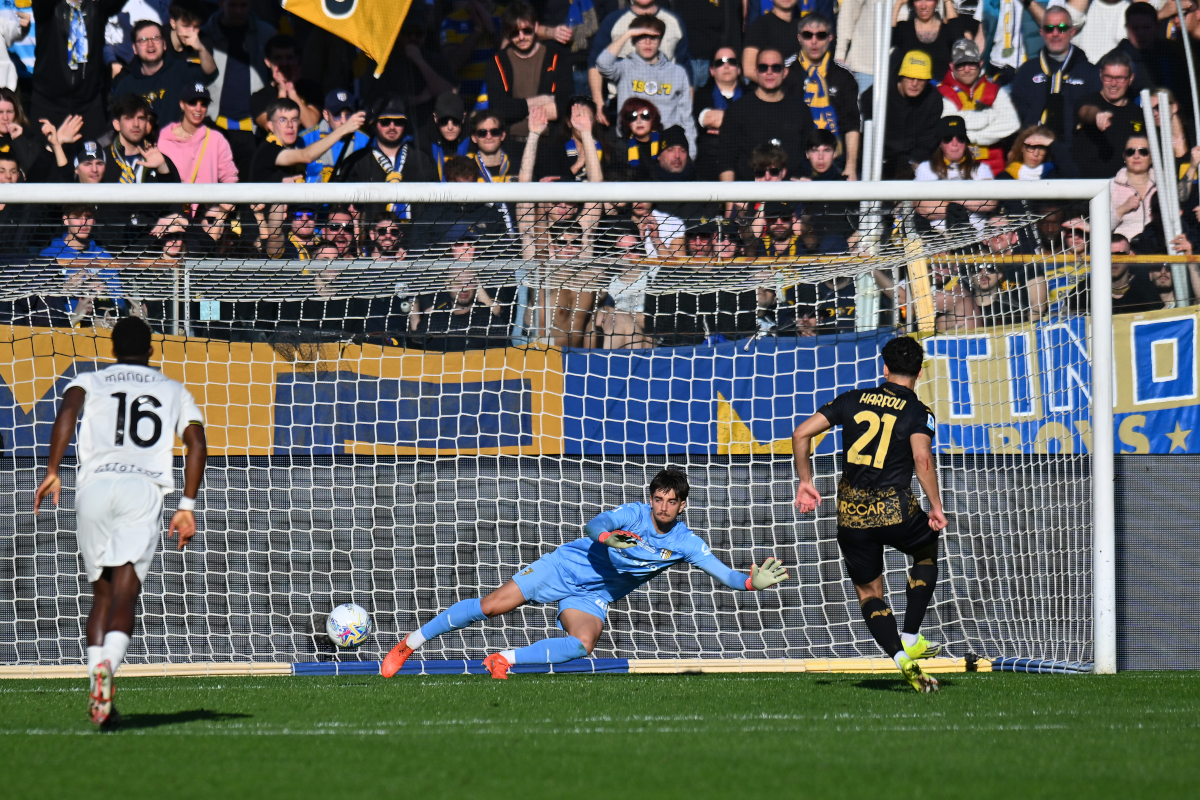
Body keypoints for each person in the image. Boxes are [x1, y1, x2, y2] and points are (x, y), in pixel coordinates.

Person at [378, 468, 789, 679]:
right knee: (492, 606)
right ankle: (409, 644)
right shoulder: (633, 514)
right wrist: (609, 538)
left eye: (671, 501)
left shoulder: (686, 543)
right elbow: (593, 526)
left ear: (682, 506)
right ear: (651, 499)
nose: (662, 506)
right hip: (564, 567)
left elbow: (727, 576)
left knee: (583, 643)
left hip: (593, 595)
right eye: (658, 498)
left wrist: (753, 581)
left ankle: (503, 659)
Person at [33, 316, 207, 726]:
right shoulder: (173, 390)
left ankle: (98, 681)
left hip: (92, 489)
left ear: (112, 348)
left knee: (102, 596)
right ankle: (107, 670)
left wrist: (53, 469)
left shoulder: (88, 381)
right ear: (151, 350)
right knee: (126, 595)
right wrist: (187, 504)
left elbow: (67, 414)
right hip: (141, 491)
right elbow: (197, 443)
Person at [791, 336, 946, 693]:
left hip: (852, 515)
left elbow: (801, 433)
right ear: (919, 373)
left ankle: (899, 658)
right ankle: (910, 635)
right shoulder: (919, 412)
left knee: (869, 594)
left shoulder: (852, 398)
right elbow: (922, 460)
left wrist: (805, 481)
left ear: (885, 368)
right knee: (925, 548)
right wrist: (935, 507)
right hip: (895, 509)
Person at [1010, 6, 1098, 171]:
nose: (1055, 34)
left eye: (1062, 28)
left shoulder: (1090, 73)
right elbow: (1019, 116)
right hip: (1033, 157)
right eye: (1049, 29)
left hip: (1074, 159)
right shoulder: (1026, 72)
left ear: (1072, 32)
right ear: (1042, 33)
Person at [596, 13, 697, 156]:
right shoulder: (625, 67)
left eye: (653, 37)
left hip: (665, 146)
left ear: (660, 40)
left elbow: (686, 117)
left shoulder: (677, 72)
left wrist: (690, 153)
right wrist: (628, 34)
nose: (648, 42)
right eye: (642, 37)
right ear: (634, 40)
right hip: (630, 144)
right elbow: (602, 64)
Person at [29, 0, 125, 142]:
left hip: (89, 103)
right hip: (48, 103)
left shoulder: (96, 6)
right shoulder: (48, 7)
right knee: (43, 159)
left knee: (94, 160)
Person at [202, 0, 276, 180]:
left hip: (253, 127)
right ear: (221, 4)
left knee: (250, 194)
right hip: (214, 124)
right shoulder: (204, 34)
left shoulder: (266, 33)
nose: (239, 11)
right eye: (233, 5)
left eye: (244, 5)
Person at [783, 12, 861, 180]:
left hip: (836, 160)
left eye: (821, 35)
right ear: (799, 37)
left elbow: (852, 124)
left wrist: (850, 167)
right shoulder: (786, 72)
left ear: (830, 38)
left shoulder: (843, 75)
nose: (814, 41)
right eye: (807, 35)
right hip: (796, 160)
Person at [717, 48, 814, 181]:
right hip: (748, 195)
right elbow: (726, 159)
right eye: (763, 67)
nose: (769, 72)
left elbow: (810, 155)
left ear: (785, 72)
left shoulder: (800, 110)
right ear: (756, 72)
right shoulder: (737, 110)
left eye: (776, 68)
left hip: (792, 194)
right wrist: (730, 200)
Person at [588, 0, 690, 126]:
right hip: (623, 109)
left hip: (666, 109)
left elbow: (685, 68)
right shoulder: (613, 20)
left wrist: (685, 112)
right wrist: (598, 101)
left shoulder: (674, 21)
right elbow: (596, 63)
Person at [484, 3, 572, 140]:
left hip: (548, 141)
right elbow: (499, 109)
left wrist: (519, 108)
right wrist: (541, 100)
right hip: (512, 141)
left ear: (536, 27)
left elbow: (563, 106)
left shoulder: (556, 58)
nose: (521, 37)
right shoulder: (496, 62)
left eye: (527, 30)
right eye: (514, 33)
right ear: (506, 33)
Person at [937, 38, 1018, 177]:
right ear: (951, 66)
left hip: (994, 169)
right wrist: (990, 116)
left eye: (972, 64)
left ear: (980, 63)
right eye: (961, 65)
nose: (967, 69)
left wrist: (972, 136)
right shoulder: (941, 93)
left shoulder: (995, 91)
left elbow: (1012, 124)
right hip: (955, 171)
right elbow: (946, 124)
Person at [110, 19, 213, 126]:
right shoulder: (125, 85)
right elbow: (118, 125)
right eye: (143, 40)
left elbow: (210, 74)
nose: (150, 44)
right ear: (135, 49)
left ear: (164, 44)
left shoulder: (181, 70)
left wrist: (201, 49)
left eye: (155, 38)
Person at [860, 50, 943, 179]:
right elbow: (865, 134)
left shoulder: (933, 99)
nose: (914, 84)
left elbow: (928, 140)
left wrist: (912, 163)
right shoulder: (877, 94)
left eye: (920, 79)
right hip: (877, 158)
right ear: (901, 76)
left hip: (915, 161)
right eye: (910, 77)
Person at [253, 98, 366, 184]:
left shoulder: (298, 144)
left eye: (294, 120)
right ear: (270, 126)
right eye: (282, 120)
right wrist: (343, 129)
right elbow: (306, 156)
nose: (290, 125)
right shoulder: (269, 149)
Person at [914, 115, 997, 231]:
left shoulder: (981, 168)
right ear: (940, 143)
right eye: (948, 138)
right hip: (938, 240)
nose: (955, 143)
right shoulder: (926, 168)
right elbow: (923, 208)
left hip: (975, 238)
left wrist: (944, 199)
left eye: (960, 138)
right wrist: (971, 201)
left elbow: (990, 202)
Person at [333, 96, 437, 187]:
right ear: (374, 125)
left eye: (398, 121)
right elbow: (340, 205)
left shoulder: (424, 160)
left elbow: (435, 204)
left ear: (405, 125)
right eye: (385, 121)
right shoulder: (355, 163)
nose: (392, 127)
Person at [1072, 50, 1141, 180]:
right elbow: (1085, 112)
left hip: (1121, 189)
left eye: (1120, 78)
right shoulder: (1086, 101)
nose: (1113, 83)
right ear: (1100, 75)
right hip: (1086, 189)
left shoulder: (1138, 114)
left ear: (1131, 78)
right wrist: (1097, 115)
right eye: (1108, 77)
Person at [158, 83, 239, 183]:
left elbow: (229, 177)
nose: (198, 109)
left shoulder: (216, 139)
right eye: (193, 103)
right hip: (175, 198)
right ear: (182, 104)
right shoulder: (163, 141)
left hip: (208, 198)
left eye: (203, 104)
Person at [250, 34, 322, 134]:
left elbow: (310, 125)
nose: (284, 63)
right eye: (278, 58)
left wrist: (292, 92)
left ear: (297, 59)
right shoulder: (259, 97)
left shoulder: (312, 89)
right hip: (277, 149)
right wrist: (282, 93)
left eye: (289, 57)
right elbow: (273, 127)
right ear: (267, 62)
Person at [298, 89, 371, 183]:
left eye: (348, 115)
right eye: (337, 115)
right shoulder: (306, 139)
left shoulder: (365, 141)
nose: (343, 121)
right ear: (325, 114)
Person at [891, 0, 975, 81]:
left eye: (929, 0)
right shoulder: (905, 28)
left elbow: (959, 40)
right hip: (912, 91)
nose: (923, 6)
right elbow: (887, 40)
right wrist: (899, 3)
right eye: (918, 0)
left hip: (940, 91)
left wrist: (947, 1)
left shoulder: (947, 30)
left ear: (936, 2)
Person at [693, 47, 742, 181]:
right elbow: (709, 119)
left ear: (739, 69)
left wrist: (723, 123)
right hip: (711, 159)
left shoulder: (751, 94)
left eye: (731, 61)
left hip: (743, 157)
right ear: (712, 70)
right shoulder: (702, 95)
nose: (726, 66)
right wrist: (741, 125)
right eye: (720, 62)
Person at [974, 0, 1045, 85]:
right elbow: (982, 36)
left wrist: (1029, 2)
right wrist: (972, 64)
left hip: (1033, 69)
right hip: (998, 69)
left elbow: (1053, 25)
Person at [1110, 134, 1159, 244]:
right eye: (1130, 152)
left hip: (1157, 250)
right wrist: (1122, 209)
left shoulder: (1163, 184)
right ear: (1124, 156)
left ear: (1152, 157)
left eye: (1143, 151)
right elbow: (1101, 227)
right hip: (1123, 253)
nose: (1136, 156)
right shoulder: (1111, 186)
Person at [742, 0, 800, 84]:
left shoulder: (804, 27)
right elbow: (748, 70)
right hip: (770, 94)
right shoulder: (759, 27)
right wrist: (778, 88)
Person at [421, 91, 472, 181]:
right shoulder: (422, 142)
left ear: (464, 118)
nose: (450, 127)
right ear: (435, 118)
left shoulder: (476, 138)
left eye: (456, 121)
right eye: (444, 121)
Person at [468, 110, 517, 182]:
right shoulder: (465, 170)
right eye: (482, 133)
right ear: (474, 138)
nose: (489, 137)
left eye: (494, 132)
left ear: (503, 135)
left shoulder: (518, 168)